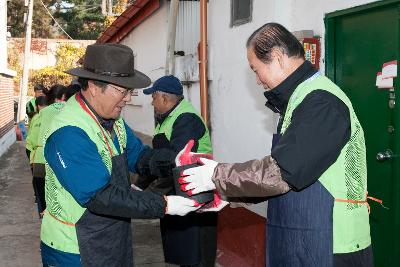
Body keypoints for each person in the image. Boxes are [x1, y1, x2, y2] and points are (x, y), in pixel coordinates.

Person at [180, 23, 374, 267]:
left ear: (277, 58)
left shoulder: (321, 102)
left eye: (256, 69)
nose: (258, 80)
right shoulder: (300, 100)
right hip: (304, 235)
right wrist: (227, 195)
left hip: (334, 243)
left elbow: (282, 172)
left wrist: (215, 175)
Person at [40, 43, 199, 267]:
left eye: (129, 91)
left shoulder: (113, 120)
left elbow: (138, 157)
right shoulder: (68, 132)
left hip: (113, 234)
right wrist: (164, 205)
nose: (127, 99)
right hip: (74, 247)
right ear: (94, 87)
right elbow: (100, 197)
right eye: (122, 91)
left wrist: (174, 161)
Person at [136, 75, 217, 267]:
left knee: (196, 254)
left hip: (195, 196)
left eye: (153, 97)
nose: (152, 102)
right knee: (182, 253)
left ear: (164, 98)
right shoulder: (168, 118)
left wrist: (146, 188)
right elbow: (159, 156)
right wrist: (140, 184)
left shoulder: (186, 118)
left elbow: (175, 159)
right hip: (179, 193)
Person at [32, 84, 69, 217]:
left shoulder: (42, 113)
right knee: (59, 199)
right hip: (59, 160)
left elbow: (33, 137)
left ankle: (44, 219)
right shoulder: (70, 110)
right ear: (64, 97)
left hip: (40, 160)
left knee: (42, 201)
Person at [25, 95, 47, 209]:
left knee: (38, 181)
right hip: (47, 155)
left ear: (38, 106)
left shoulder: (36, 118)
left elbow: (31, 139)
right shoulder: (54, 115)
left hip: (36, 153)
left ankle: (41, 207)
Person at [25, 84, 46, 160]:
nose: (41, 93)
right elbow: (30, 114)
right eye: (39, 92)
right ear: (35, 92)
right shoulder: (30, 103)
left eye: (42, 92)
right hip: (34, 128)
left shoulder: (46, 100)